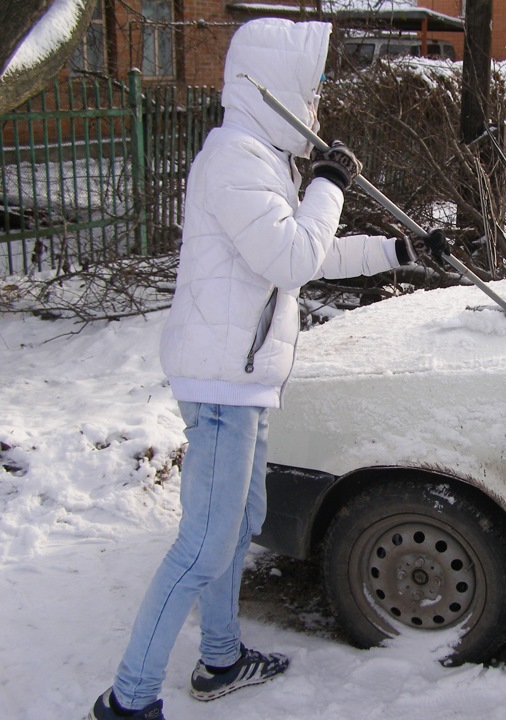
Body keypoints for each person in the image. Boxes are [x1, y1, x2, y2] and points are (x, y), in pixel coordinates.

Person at [87, 18, 447, 720]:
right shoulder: (234, 159)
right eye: (309, 93)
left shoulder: (263, 160)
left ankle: (220, 658)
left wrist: (397, 250)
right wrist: (331, 183)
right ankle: (127, 702)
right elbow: (294, 258)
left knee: (240, 517)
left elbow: (302, 257)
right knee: (203, 544)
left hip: (242, 382)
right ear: (273, 88)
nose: (316, 109)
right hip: (221, 383)